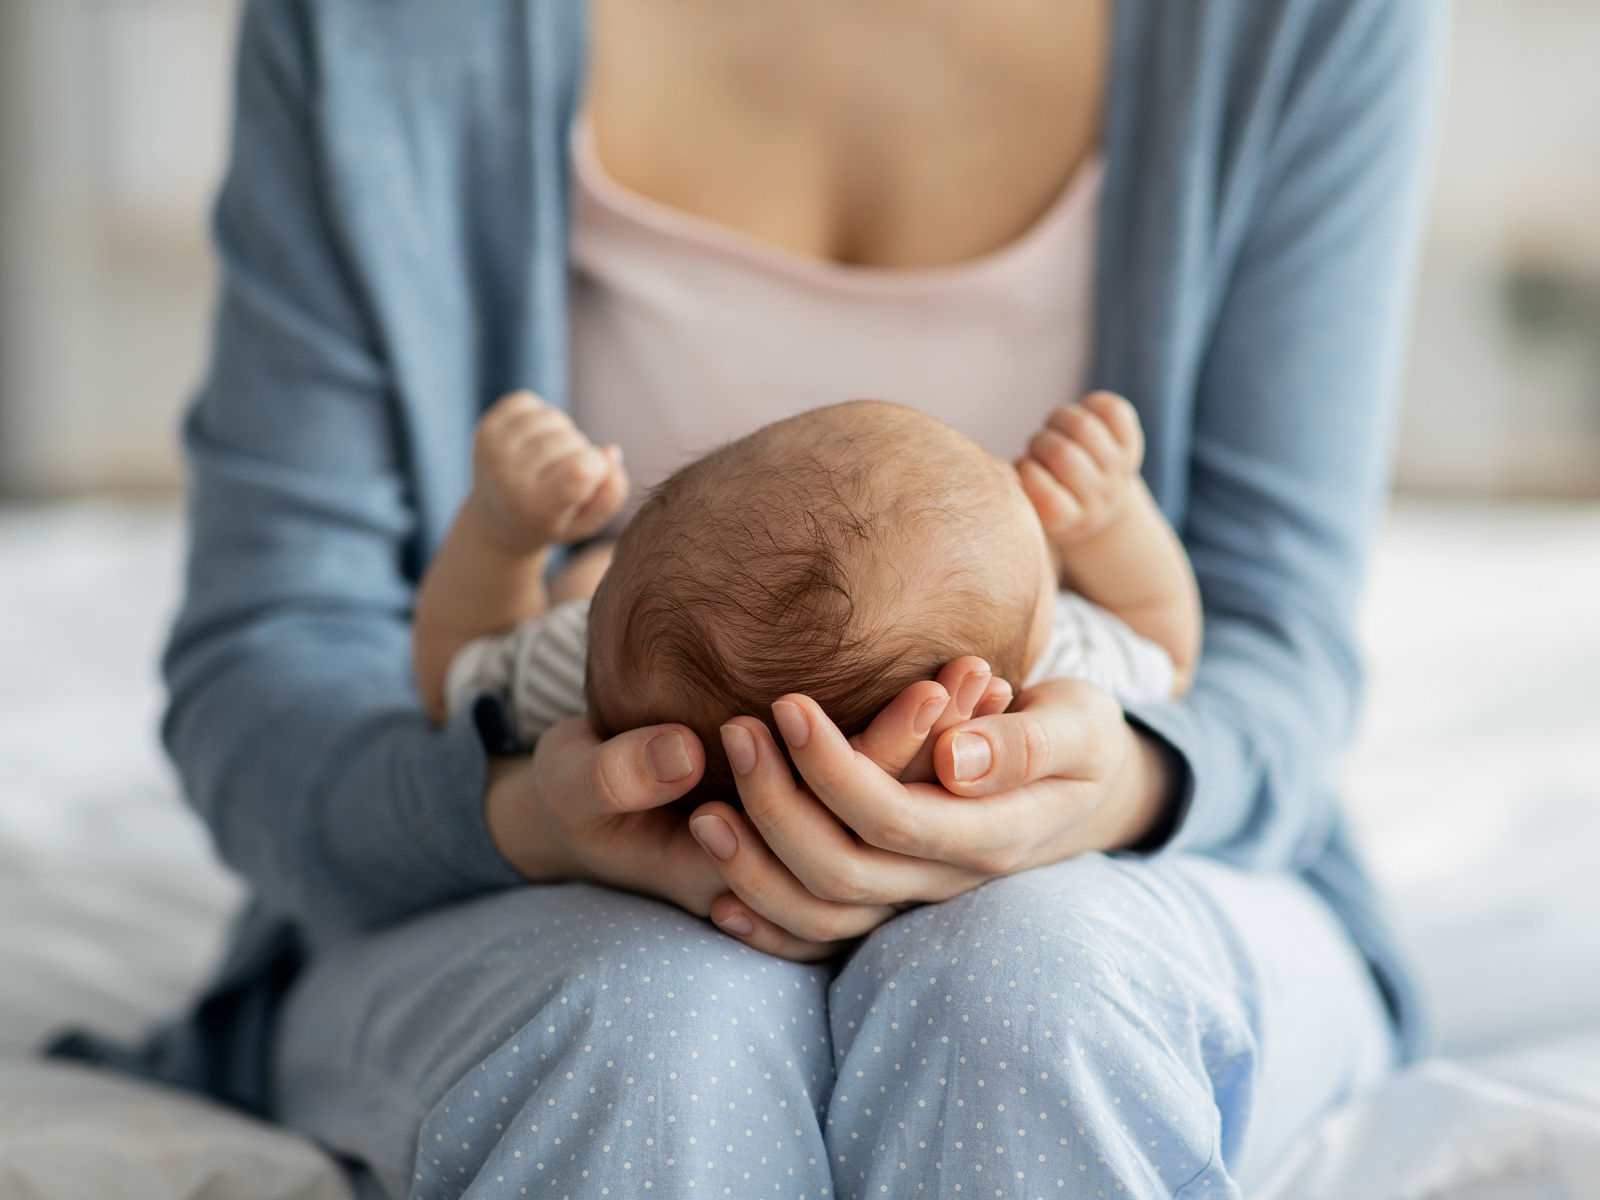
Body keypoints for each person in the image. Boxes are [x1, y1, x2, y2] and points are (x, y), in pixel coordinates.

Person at [131, 0, 1443, 1195]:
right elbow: (281, 667)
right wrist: (528, 816)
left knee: (1037, 993)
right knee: (644, 1021)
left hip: (1130, 874)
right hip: (535, 892)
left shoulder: (1295, 25)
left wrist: (1115, 790)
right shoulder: (386, 31)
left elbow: (1269, 657)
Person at [411, 395, 1198, 802]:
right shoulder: (1055, 685)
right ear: (1015, 665)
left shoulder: (581, 681)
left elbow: (452, 674)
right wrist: (1110, 519)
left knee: (582, 582)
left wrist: (503, 533)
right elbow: (1167, 645)